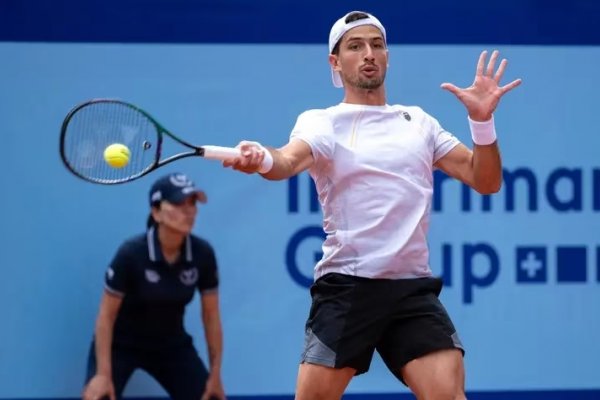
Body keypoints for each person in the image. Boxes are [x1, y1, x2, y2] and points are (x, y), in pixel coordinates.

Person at [223, 10, 521, 400]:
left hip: (411, 290)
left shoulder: (418, 122)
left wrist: (482, 124)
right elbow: (287, 160)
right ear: (335, 62)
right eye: (355, 46)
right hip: (348, 287)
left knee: (449, 394)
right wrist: (261, 158)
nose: (368, 54)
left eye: (377, 45)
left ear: (387, 56)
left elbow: (486, 180)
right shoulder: (322, 122)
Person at [82, 173, 226, 400]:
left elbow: (211, 316)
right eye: (179, 203)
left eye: (192, 203)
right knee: (96, 396)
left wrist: (215, 376)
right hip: (120, 345)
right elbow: (106, 317)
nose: (189, 211)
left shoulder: (203, 254)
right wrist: (102, 375)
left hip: (171, 346)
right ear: (156, 212)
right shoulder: (131, 253)